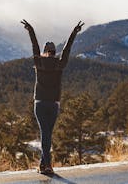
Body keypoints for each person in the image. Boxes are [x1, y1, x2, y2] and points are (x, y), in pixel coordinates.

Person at [20, 19, 84, 175]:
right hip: (54, 104)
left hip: (40, 104)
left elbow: (34, 45)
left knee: (45, 133)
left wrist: (31, 30)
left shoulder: (38, 62)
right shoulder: (59, 64)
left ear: (44, 51)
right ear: (55, 52)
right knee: (47, 133)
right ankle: (46, 165)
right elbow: (68, 49)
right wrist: (74, 33)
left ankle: (45, 165)